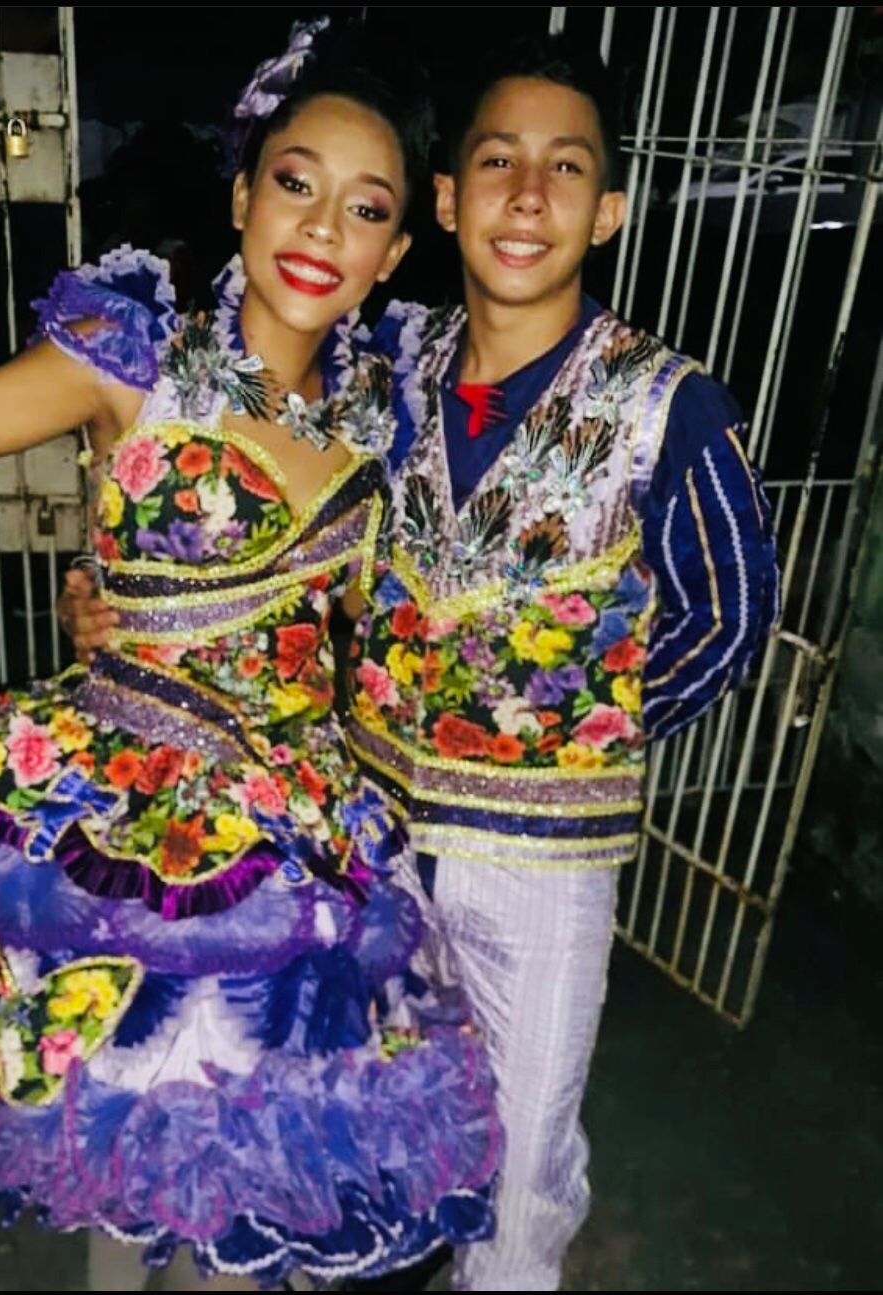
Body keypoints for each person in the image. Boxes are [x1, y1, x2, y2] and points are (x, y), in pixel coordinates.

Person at [0, 20, 502, 1288]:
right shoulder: (136, 359)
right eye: (296, 182)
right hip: (105, 808)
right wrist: (115, 609)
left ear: (392, 251)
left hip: (287, 845)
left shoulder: (388, 414)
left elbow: (365, 635)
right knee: (107, 1148)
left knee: (219, 1178)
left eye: (366, 207)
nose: (322, 227)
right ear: (242, 196)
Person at [340, 35, 780, 1292]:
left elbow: (732, 609)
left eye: (566, 168)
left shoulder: (665, 403)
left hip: (542, 868)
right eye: (498, 162)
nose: (527, 197)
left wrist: (585, 733)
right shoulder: (390, 370)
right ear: (445, 198)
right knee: (368, 1107)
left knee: (524, 1157)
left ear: (610, 210)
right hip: (369, 828)